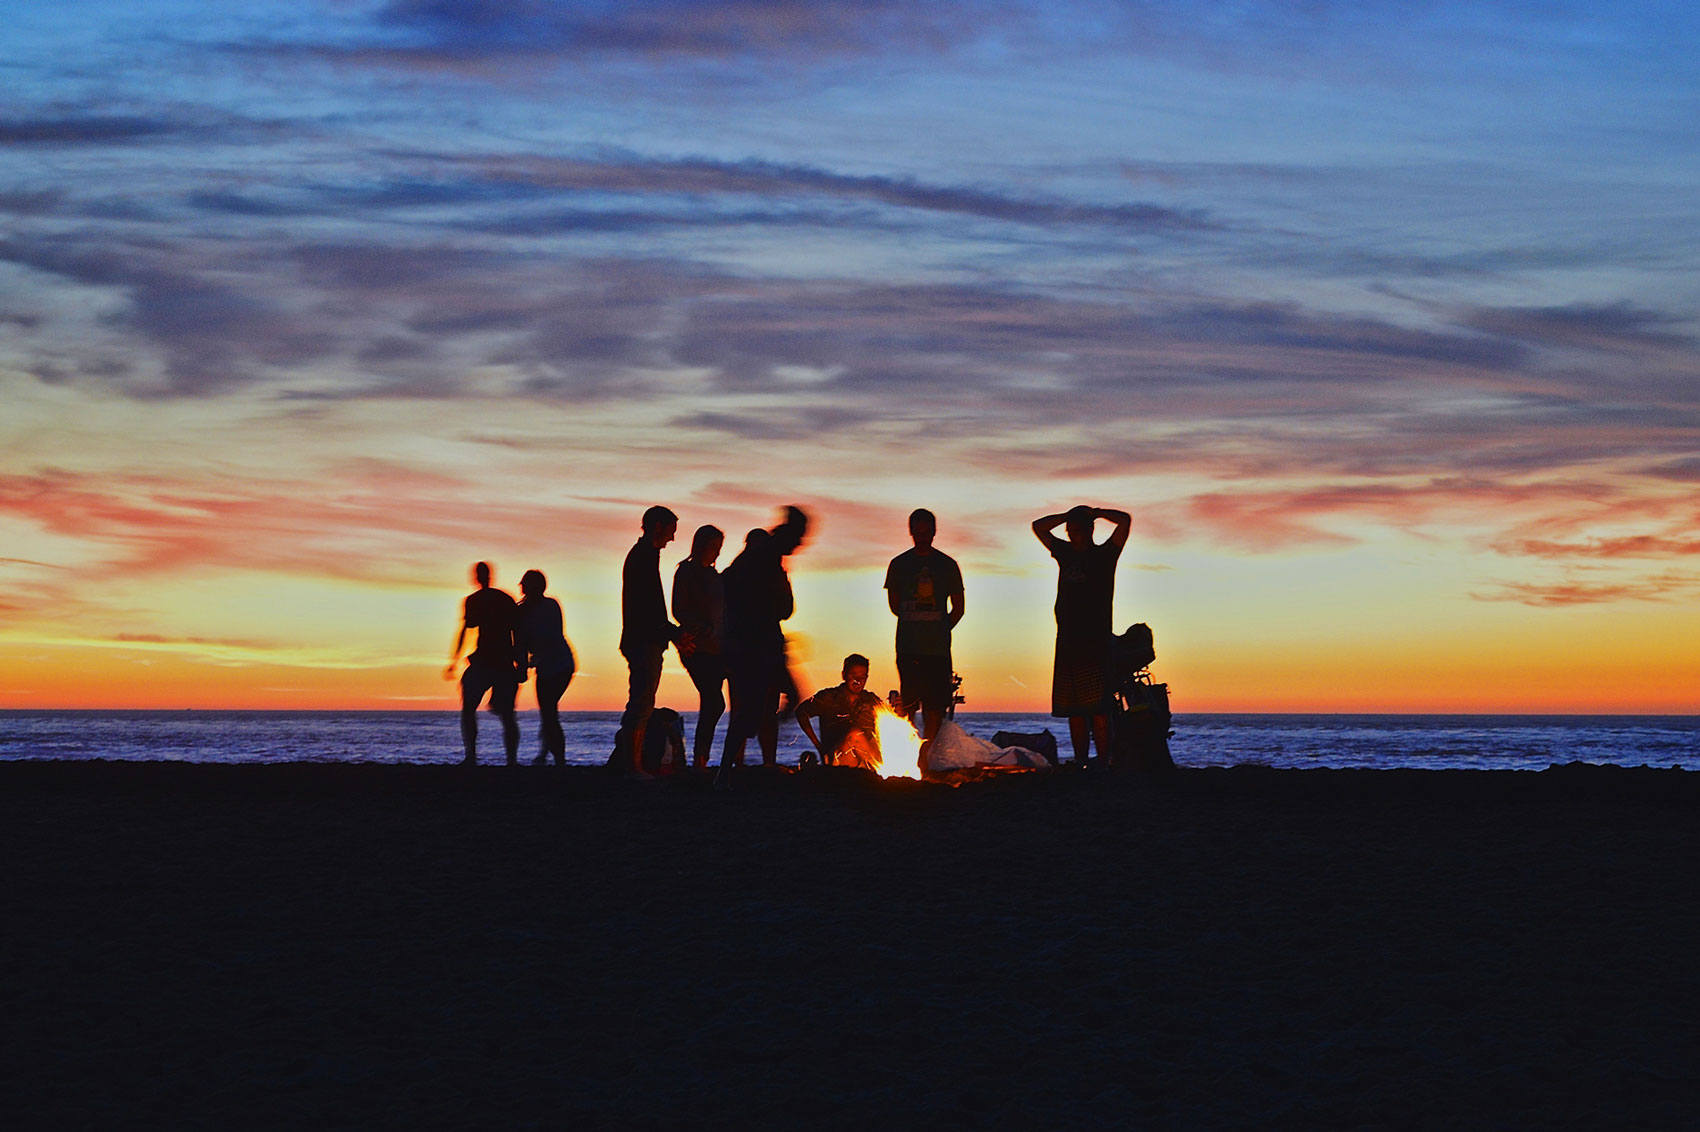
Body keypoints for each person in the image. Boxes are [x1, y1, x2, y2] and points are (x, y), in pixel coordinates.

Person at [1032, 505, 1132, 766]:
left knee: (1098, 709)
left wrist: (1096, 512)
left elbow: (1124, 521)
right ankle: (1080, 761)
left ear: (1089, 530)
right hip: (1067, 640)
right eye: (1070, 530)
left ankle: (1104, 760)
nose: (1072, 534)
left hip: (1095, 641)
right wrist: (1066, 515)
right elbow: (1038, 526)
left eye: (1077, 529)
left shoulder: (1105, 555)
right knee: (1073, 710)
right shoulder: (1063, 552)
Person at [720, 506, 809, 768]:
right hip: (757, 646)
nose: (801, 544)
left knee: (754, 711)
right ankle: (730, 770)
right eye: (800, 537)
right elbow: (784, 608)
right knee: (756, 711)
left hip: (754, 645)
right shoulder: (765, 559)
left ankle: (732, 770)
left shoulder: (751, 563)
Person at [884, 508, 964, 759]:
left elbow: (959, 608)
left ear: (934, 531)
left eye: (926, 530)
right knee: (908, 705)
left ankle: (928, 758)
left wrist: (938, 629)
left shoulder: (948, 565)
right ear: (910, 531)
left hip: (937, 650)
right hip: (908, 647)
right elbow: (894, 605)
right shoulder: (898, 564)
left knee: (935, 708)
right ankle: (907, 756)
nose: (921, 535)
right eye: (917, 530)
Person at [620, 506, 688, 777]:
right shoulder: (643, 557)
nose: (672, 538)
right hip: (643, 640)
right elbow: (649, 607)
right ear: (658, 526)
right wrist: (672, 632)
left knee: (641, 700)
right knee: (642, 703)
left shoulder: (644, 556)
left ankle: (631, 764)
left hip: (643, 638)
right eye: (671, 531)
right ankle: (633, 767)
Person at [444, 561, 524, 766]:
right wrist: (521, 663)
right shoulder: (503, 599)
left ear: (478, 577)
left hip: (494, 661)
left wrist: (454, 660)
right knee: (503, 714)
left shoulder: (478, 600)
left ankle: (475, 756)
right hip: (497, 661)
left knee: (477, 710)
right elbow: (518, 633)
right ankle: (505, 760)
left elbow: (466, 629)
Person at [672, 525, 727, 768]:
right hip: (696, 646)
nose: (716, 553)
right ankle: (700, 760)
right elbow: (678, 609)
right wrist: (699, 626)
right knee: (713, 701)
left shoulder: (716, 578)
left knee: (714, 702)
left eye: (719, 548)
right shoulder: (686, 571)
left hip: (718, 647)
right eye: (713, 547)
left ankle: (702, 759)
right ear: (701, 545)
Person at [517, 569, 575, 766]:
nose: (521, 587)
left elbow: (550, 636)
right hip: (552, 664)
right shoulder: (527, 609)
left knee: (549, 712)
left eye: (524, 584)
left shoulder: (547, 606)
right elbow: (522, 642)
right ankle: (546, 753)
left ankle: (558, 758)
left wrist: (526, 665)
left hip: (558, 664)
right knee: (549, 711)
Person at [795, 654, 884, 770]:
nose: (858, 681)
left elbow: (892, 723)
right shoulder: (828, 697)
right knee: (855, 735)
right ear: (844, 675)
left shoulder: (871, 700)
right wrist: (818, 746)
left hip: (866, 761)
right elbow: (801, 712)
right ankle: (884, 770)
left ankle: (882, 769)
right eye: (854, 676)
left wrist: (899, 711)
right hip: (839, 760)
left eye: (863, 677)